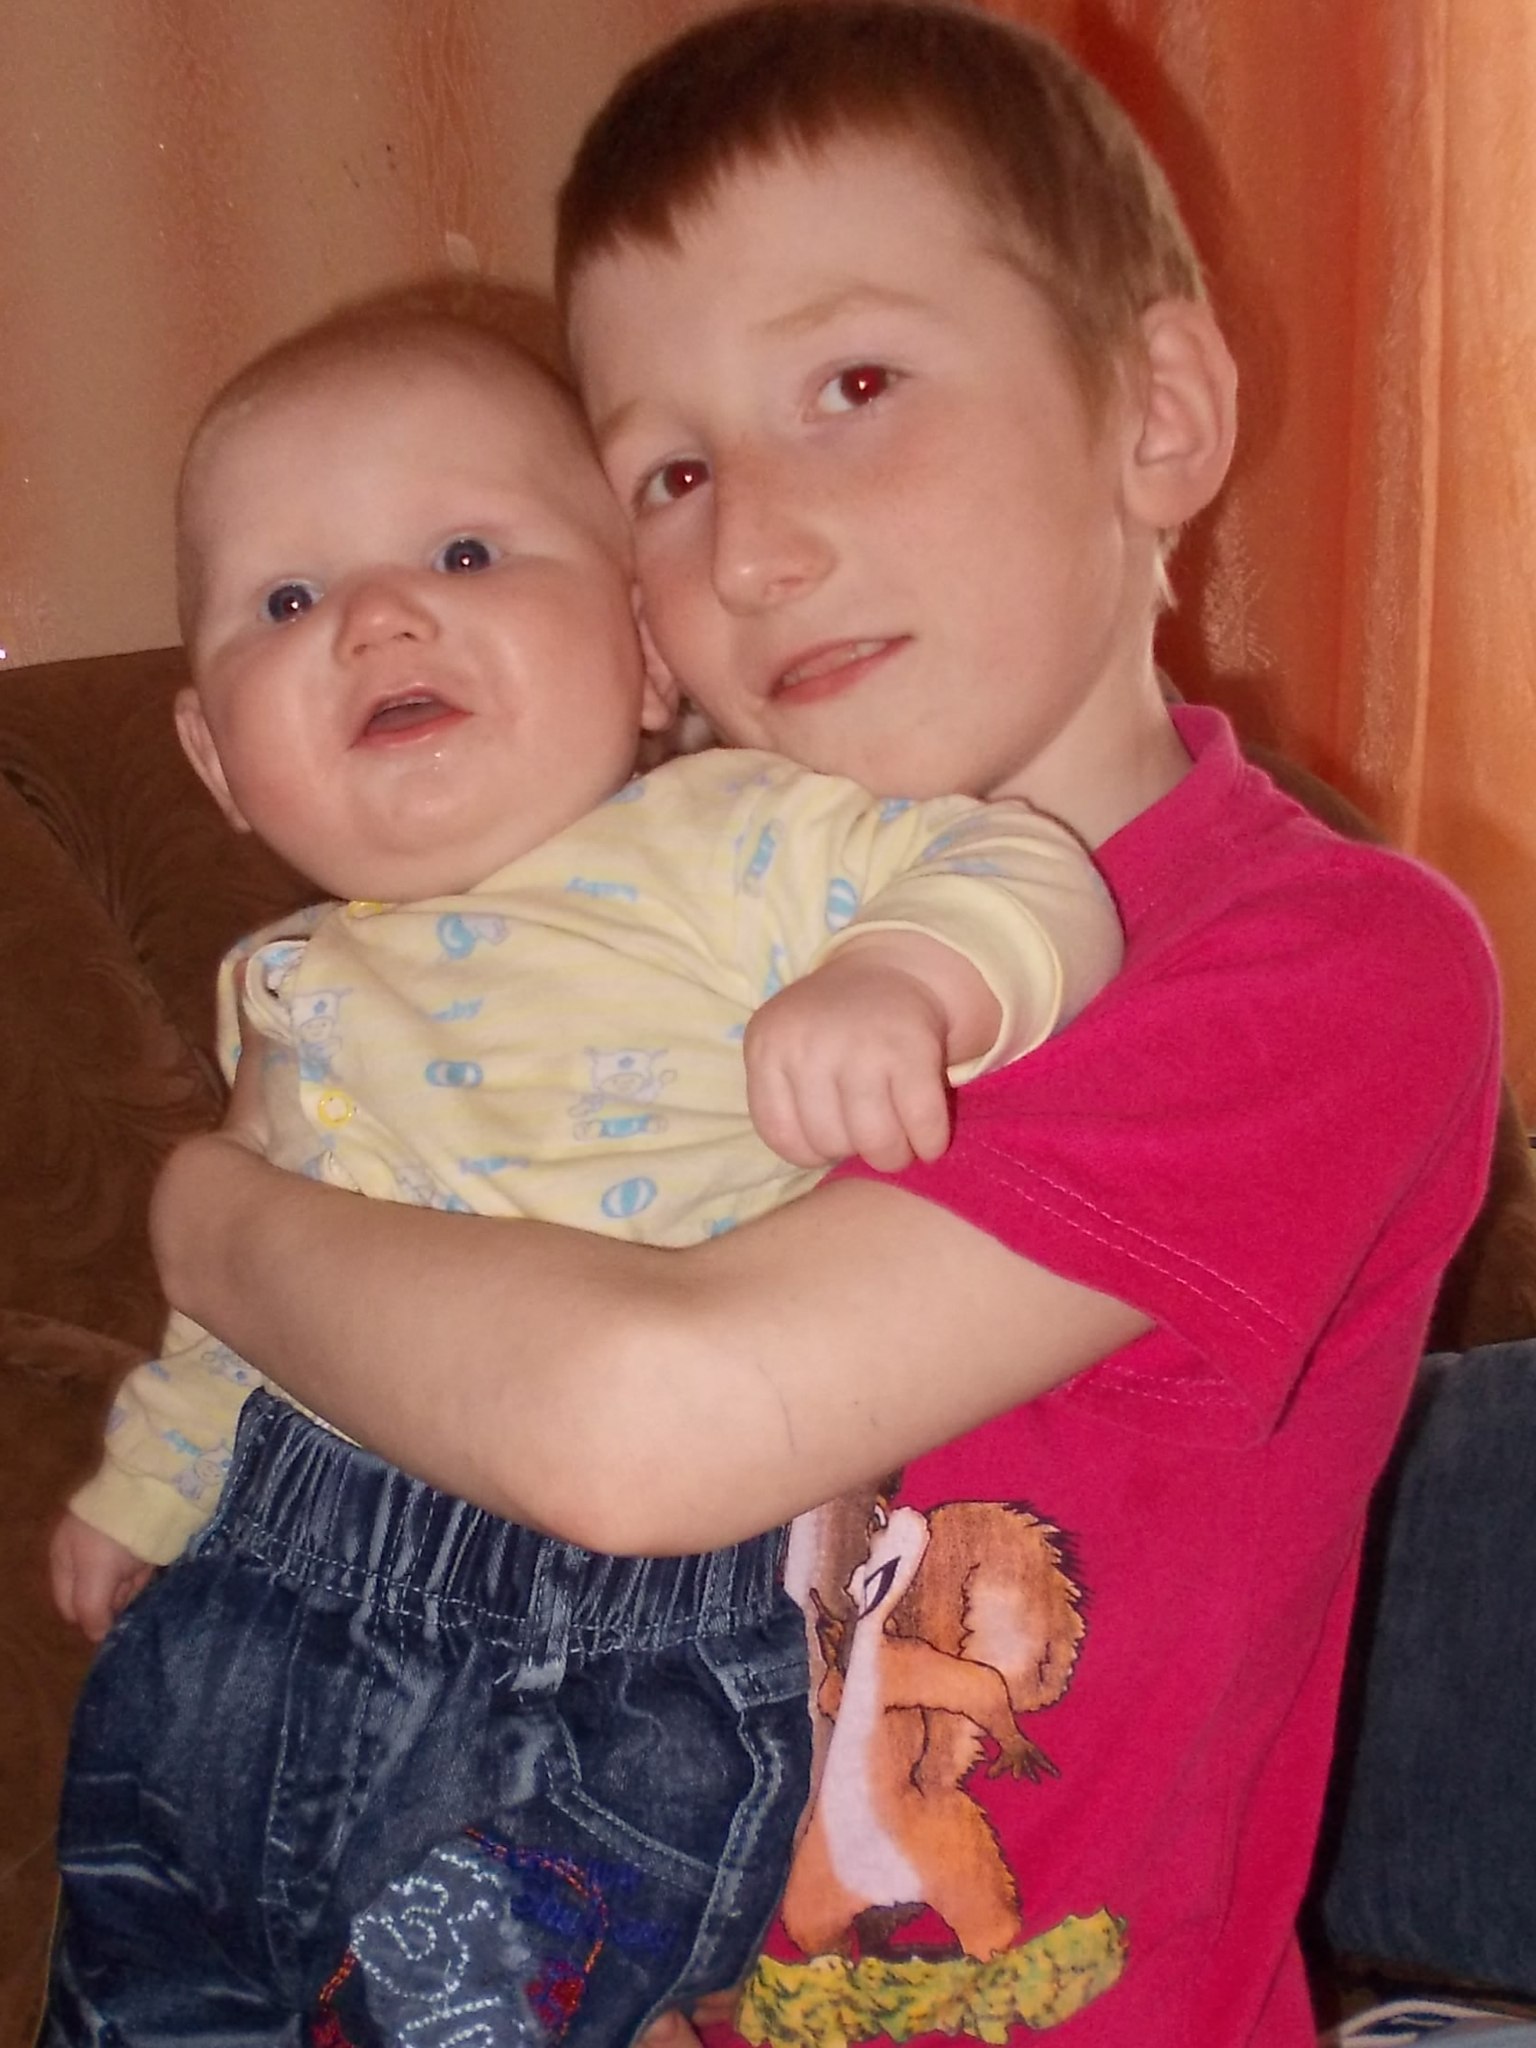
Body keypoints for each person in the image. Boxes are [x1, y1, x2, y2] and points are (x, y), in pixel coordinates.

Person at [144, 5, 1505, 2045]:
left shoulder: (1325, 968)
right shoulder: (622, 912)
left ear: (1155, 416)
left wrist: (207, 1220)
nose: (754, 545)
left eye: (856, 385)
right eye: (671, 473)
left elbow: (652, 1427)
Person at [43, 286, 1123, 2048]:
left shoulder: (727, 838)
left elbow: (1027, 872)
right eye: (288, 600)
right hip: (240, 1623)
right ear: (214, 758)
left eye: (466, 552)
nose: (378, 614)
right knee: (135, 1987)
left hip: (590, 1651)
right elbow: (256, 1299)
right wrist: (152, 1487)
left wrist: (903, 979)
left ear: (643, 654)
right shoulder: (289, 987)